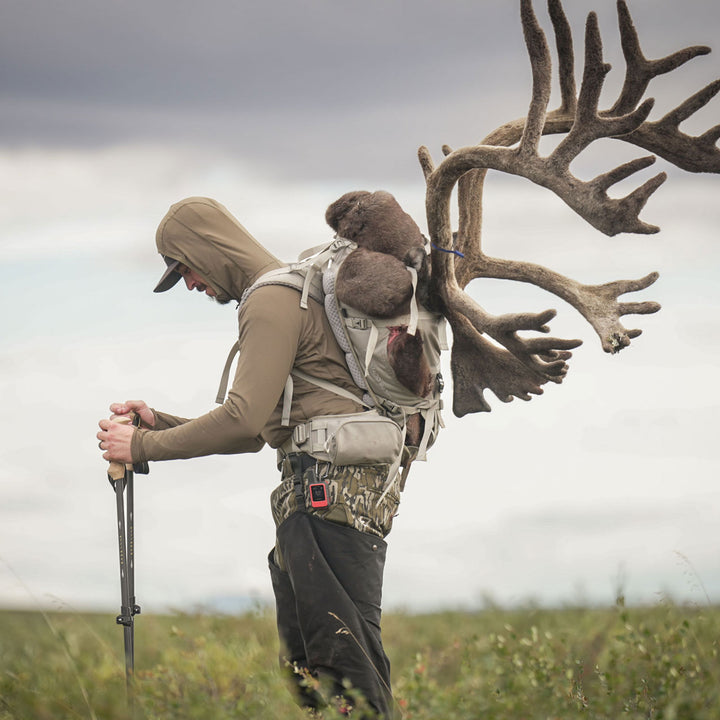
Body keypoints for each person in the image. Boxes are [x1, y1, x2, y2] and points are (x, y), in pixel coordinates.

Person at [97, 196, 400, 718]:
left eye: (185, 269)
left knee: (346, 673)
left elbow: (239, 422)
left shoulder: (271, 301)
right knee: (314, 675)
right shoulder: (290, 294)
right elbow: (256, 428)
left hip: (329, 498)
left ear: (208, 251)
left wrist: (141, 447)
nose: (189, 284)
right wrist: (159, 423)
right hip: (324, 497)